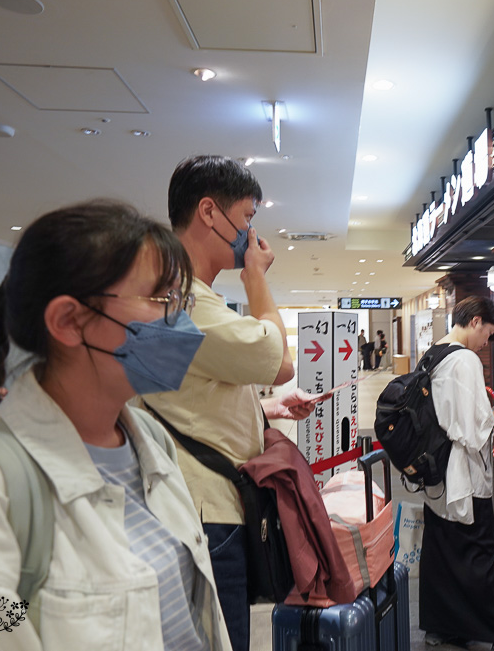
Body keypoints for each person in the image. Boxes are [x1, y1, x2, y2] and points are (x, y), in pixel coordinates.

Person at [0, 200, 231, 650]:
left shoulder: (149, 440)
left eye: (181, 301)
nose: (180, 322)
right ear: (68, 321)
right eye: (162, 299)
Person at [143, 155, 315, 650]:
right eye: (246, 217)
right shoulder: (183, 299)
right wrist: (256, 279)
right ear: (209, 213)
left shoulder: (170, 293)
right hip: (205, 513)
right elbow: (279, 359)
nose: (251, 234)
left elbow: (189, 394)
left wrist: (267, 410)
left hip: (190, 507)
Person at [419, 296, 494, 651]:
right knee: (479, 553)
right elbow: (474, 429)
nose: (486, 343)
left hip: (437, 476)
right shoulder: (464, 360)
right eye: (487, 334)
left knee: (441, 552)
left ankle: (442, 626)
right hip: (464, 477)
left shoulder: (434, 353)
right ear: (475, 321)